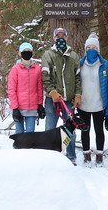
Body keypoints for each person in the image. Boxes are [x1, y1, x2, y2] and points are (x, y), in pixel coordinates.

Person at [41, 27, 82, 164]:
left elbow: (78, 79)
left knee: (69, 130)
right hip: (52, 100)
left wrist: (77, 94)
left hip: (68, 101)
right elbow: (45, 77)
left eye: (63, 36)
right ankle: (49, 156)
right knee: (50, 129)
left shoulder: (74, 56)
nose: (60, 38)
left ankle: (71, 156)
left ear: (67, 38)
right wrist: (52, 91)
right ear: (53, 38)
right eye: (57, 36)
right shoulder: (48, 55)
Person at [78, 33, 108, 166]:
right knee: (85, 130)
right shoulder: (80, 64)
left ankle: (99, 154)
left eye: (94, 47)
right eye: (88, 47)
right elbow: (76, 81)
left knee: (99, 130)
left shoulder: (104, 64)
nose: (91, 49)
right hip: (83, 103)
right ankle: (86, 154)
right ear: (85, 49)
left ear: (98, 49)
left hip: (99, 104)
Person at [7, 42, 44, 134]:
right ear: (20, 53)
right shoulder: (15, 69)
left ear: (32, 53)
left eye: (29, 51)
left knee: (30, 134)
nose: (26, 53)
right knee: (19, 134)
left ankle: (29, 148)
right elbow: (11, 89)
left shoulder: (37, 69)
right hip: (19, 107)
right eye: (24, 51)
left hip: (32, 107)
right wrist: (15, 107)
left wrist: (40, 104)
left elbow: (39, 88)